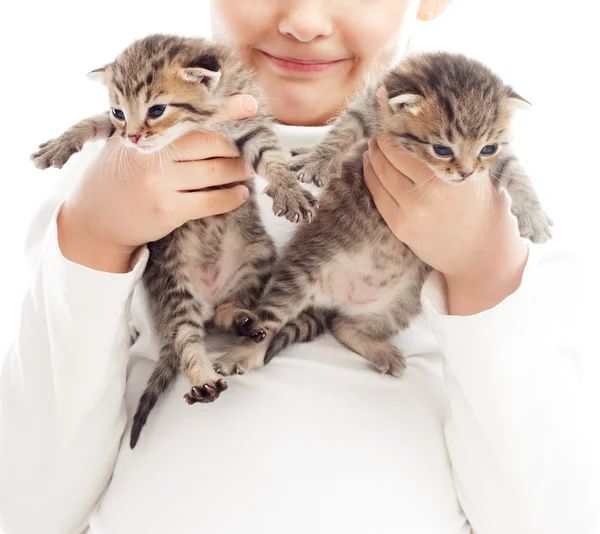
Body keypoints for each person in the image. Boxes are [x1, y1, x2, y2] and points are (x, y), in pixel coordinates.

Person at [0, 1, 597, 533]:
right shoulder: (116, 170)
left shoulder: (510, 207)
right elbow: (27, 510)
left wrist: (486, 275)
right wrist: (92, 240)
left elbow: (547, 517)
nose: (304, 21)